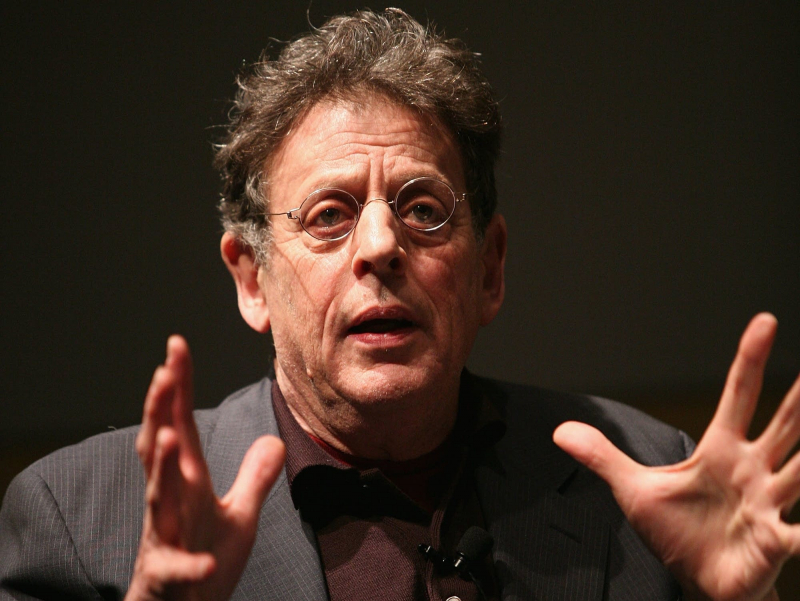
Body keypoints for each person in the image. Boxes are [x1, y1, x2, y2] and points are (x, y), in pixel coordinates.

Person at [1, 8, 798, 601]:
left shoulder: (649, 483)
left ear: (490, 269)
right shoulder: (82, 519)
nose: (381, 245)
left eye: (423, 208)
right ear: (252, 279)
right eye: (329, 214)